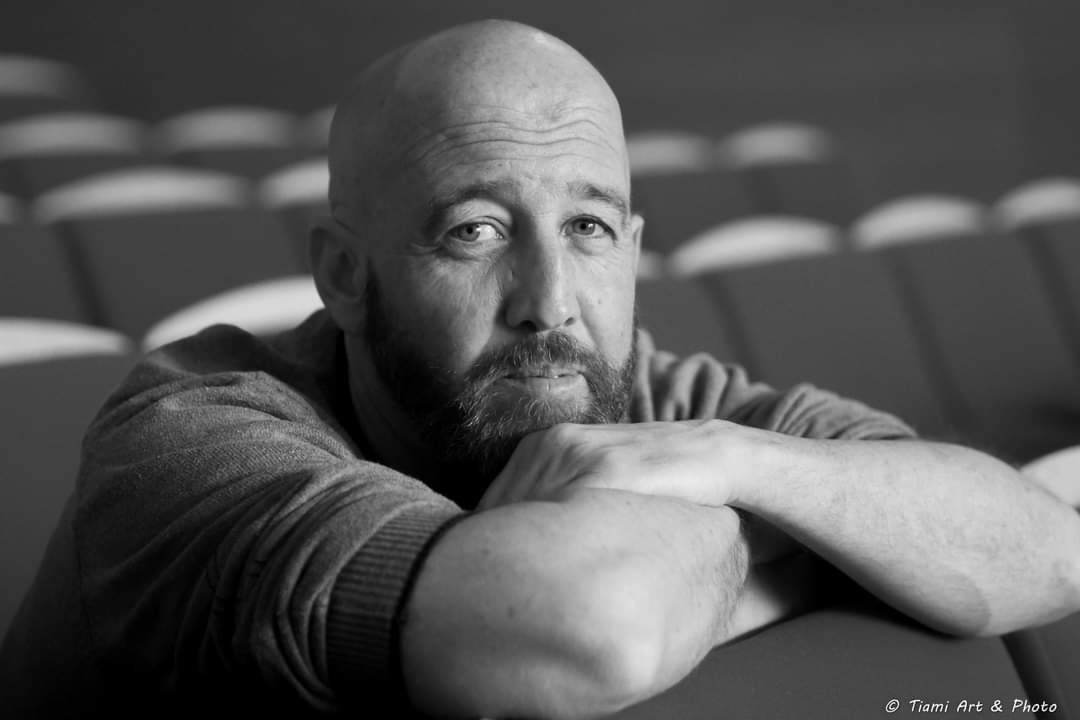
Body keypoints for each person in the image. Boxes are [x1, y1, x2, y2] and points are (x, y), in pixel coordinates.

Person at [2, 18, 1079, 720]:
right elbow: (587, 632)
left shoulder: (659, 402)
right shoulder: (191, 438)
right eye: (475, 231)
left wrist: (732, 458)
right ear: (343, 275)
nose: (550, 302)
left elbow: (1046, 550)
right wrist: (812, 541)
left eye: (590, 229)